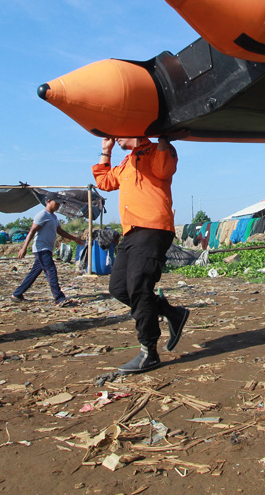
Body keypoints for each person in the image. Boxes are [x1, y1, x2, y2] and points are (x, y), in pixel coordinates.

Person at [93, 135, 190, 374]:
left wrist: (165, 138)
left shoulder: (158, 150)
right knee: (118, 288)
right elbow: (104, 181)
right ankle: (170, 312)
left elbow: (165, 170)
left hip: (153, 228)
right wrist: (105, 150)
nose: (115, 137)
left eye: (119, 133)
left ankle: (149, 353)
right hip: (131, 232)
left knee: (138, 288)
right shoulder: (126, 163)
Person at [11, 192, 84, 304]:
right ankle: (59, 298)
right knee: (51, 271)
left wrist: (74, 238)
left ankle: (17, 294)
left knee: (34, 273)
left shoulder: (54, 217)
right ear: (49, 201)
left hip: (47, 249)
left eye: (60, 204)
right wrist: (24, 247)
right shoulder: (42, 215)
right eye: (57, 203)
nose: (59, 206)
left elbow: (60, 231)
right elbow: (32, 231)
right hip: (41, 249)